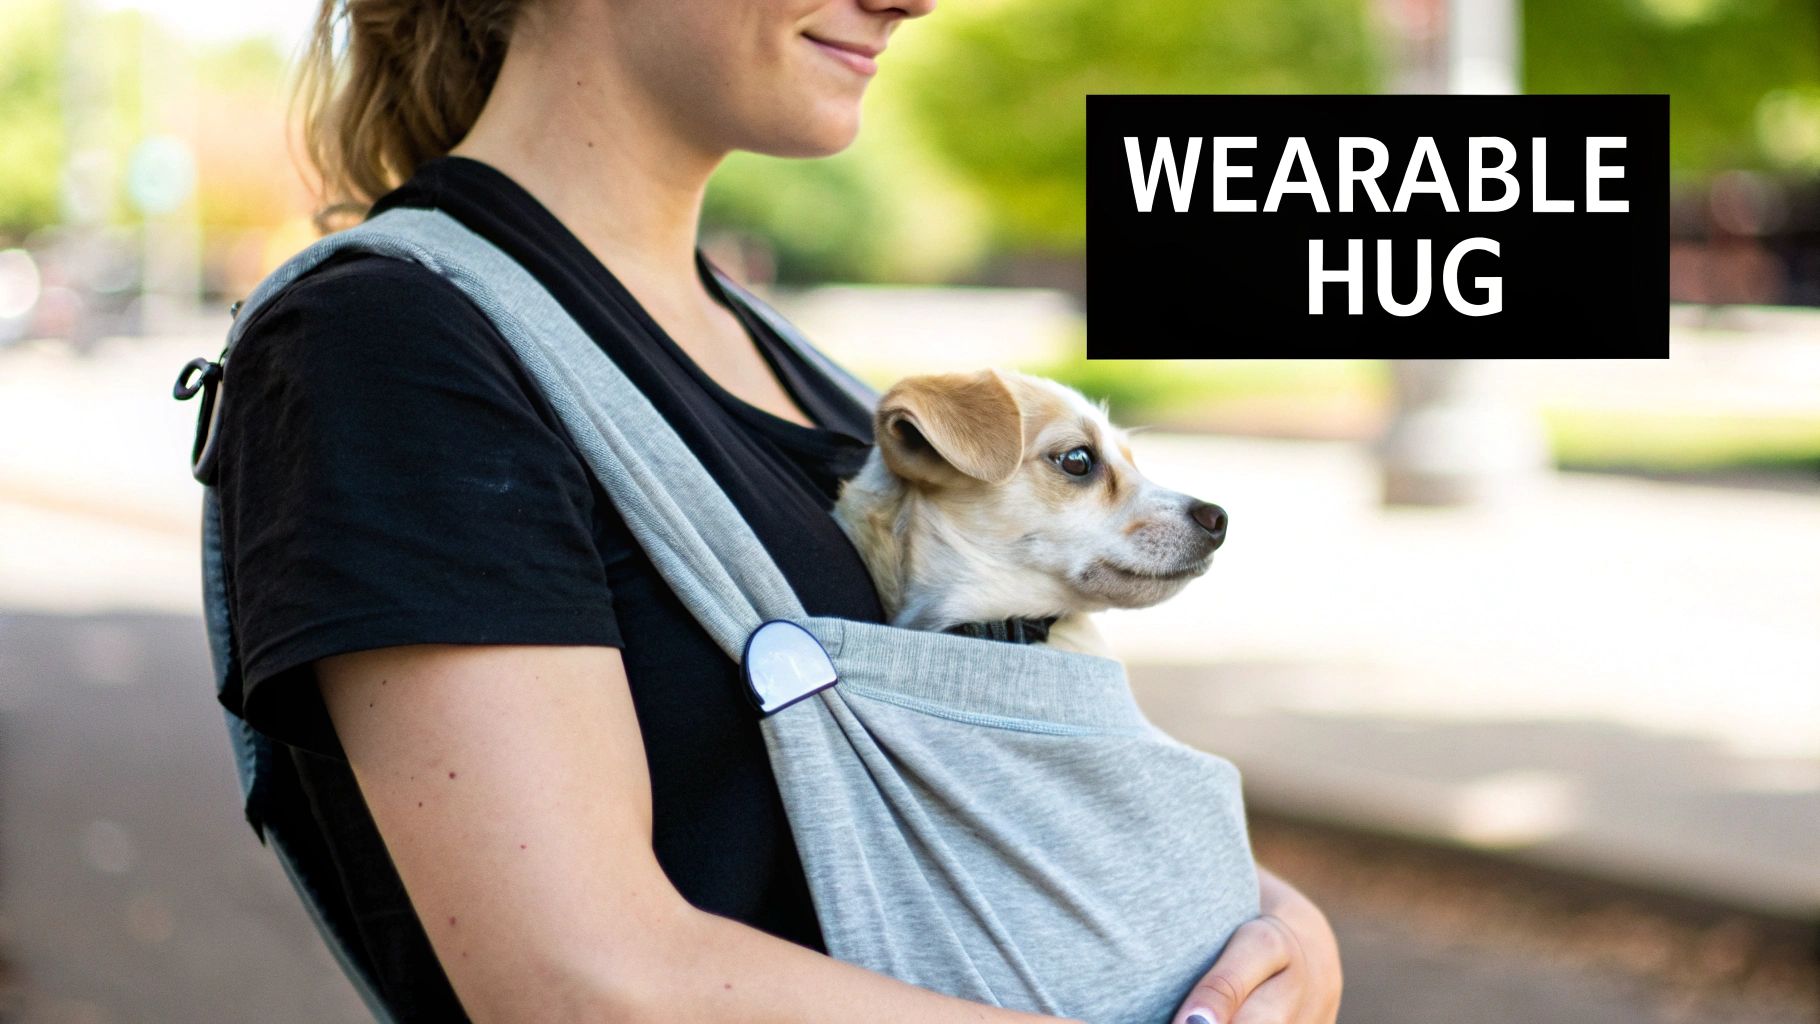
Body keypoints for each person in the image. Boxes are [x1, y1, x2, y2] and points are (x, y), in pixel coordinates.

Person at [215, 0, 1344, 1021]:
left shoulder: (802, 375)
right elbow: (581, 981)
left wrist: (1262, 925)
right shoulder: (393, 348)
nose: (912, 2)